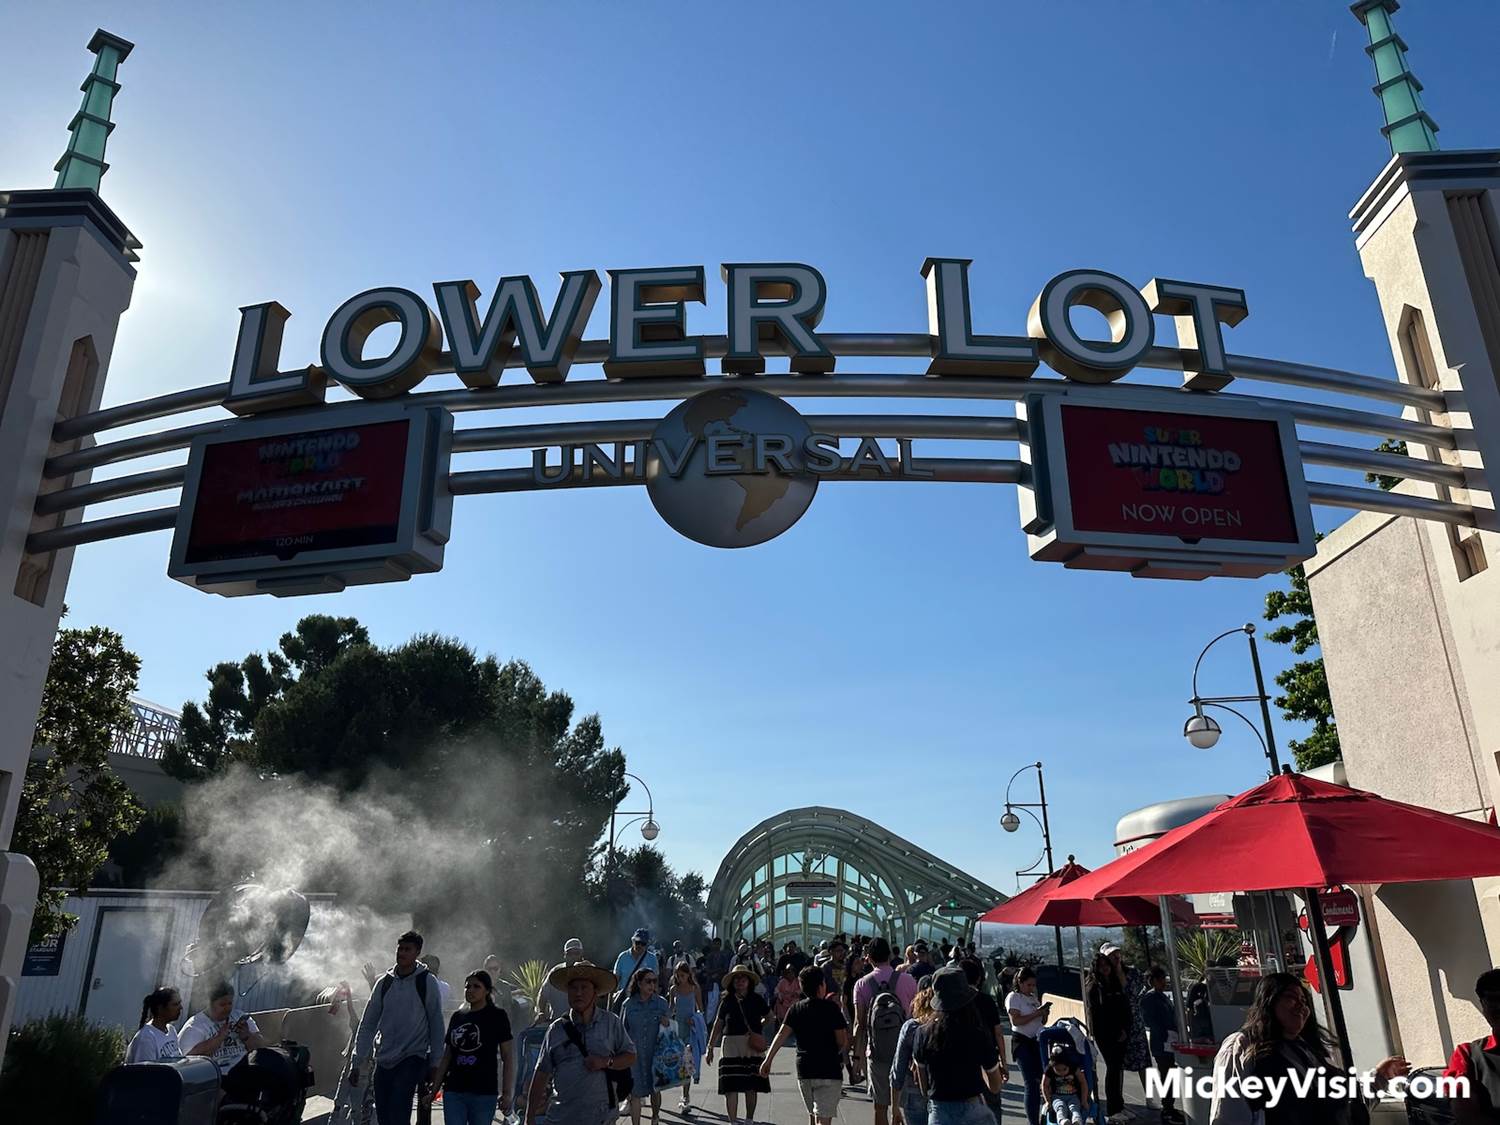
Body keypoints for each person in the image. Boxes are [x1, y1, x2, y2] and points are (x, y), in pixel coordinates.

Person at [1208, 972, 1408, 1125]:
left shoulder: (1308, 1052)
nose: (1300, 1007)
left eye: (1304, 1001)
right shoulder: (1242, 1048)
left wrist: (1380, 1077)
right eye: (1291, 997)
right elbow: (1228, 1116)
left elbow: (1345, 1105)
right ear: (1269, 1001)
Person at [351, 929, 447, 1125]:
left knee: (399, 1110)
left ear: (417, 952)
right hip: (384, 1057)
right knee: (384, 1115)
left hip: (412, 1056)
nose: (401, 953)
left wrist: (435, 1063)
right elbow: (368, 1023)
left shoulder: (426, 982)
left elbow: (436, 1023)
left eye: (407, 949)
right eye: (400, 949)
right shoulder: (384, 983)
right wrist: (357, 1061)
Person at [527, 961, 637, 1125]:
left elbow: (631, 1056)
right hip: (561, 1119)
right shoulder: (556, 1029)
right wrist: (529, 1118)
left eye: (584, 987)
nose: (578, 993)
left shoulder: (611, 1023)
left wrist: (606, 1062)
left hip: (601, 1118)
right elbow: (541, 1074)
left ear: (595, 992)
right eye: (573, 988)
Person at [911, 966, 1004, 1125]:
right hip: (973, 1110)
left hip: (939, 1112)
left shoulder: (923, 1033)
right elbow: (995, 1086)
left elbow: (923, 1087)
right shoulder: (977, 1032)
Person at [761, 964, 850, 1125]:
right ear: (821, 986)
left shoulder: (796, 1009)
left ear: (802, 987)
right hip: (829, 1069)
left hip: (805, 1069)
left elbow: (781, 1034)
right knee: (823, 1119)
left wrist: (768, 1060)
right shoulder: (832, 1009)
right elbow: (841, 1040)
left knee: (813, 1115)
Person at [431, 970, 515, 1125]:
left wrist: (507, 1093)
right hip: (454, 1090)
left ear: (487, 990)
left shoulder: (497, 1016)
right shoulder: (458, 1017)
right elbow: (447, 1056)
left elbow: (508, 1057)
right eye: (467, 986)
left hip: (484, 1092)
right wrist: (434, 1090)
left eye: (476, 986)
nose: (470, 990)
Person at [852, 937, 919, 1125]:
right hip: (906, 1052)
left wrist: (857, 1058)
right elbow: (917, 1017)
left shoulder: (861, 984)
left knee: (880, 1106)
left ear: (869, 958)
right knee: (908, 1106)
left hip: (876, 1052)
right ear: (889, 955)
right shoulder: (908, 981)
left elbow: (859, 1024)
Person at [1085, 942, 1144, 1122]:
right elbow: (1098, 1014)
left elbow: (1124, 1006)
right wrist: (1113, 1032)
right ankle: (1112, 1109)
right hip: (1106, 1035)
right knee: (1112, 1069)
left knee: (1117, 1070)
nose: (1105, 968)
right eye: (1101, 966)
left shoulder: (1114, 983)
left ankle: (1119, 1105)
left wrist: (1125, 1028)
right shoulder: (1094, 987)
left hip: (1122, 1032)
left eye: (1107, 965)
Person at [707, 964, 771, 1125]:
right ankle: (733, 1122)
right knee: (731, 1087)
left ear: (749, 981)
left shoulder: (757, 999)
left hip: (751, 1046)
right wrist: (710, 1047)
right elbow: (718, 1024)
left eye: (743, 978)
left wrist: (757, 1028)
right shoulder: (726, 1000)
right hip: (730, 1045)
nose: (740, 981)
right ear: (732, 982)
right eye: (736, 978)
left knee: (751, 1086)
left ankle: (749, 1120)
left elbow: (770, 1017)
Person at [1445, 967, 1500, 1123]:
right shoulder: (1466, 1054)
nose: (1498, 1007)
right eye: (1492, 1000)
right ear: (1482, 1005)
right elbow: (1465, 1113)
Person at [178, 980, 267, 1072]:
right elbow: (189, 1060)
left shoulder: (239, 1016)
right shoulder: (196, 1025)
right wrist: (219, 1038)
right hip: (218, 1074)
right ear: (209, 1004)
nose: (227, 1008)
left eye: (230, 1003)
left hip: (246, 1070)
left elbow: (261, 1049)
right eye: (222, 1004)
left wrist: (247, 1036)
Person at [959, 959, 1008, 1123]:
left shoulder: (955, 1002)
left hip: (963, 1062)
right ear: (979, 978)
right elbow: (998, 1033)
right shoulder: (986, 1001)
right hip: (989, 1060)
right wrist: (1003, 1063)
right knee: (993, 1102)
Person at [621, 966, 672, 1125]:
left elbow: (670, 1029)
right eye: (648, 981)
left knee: (655, 1090)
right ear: (639, 983)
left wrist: (667, 1022)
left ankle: (655, 1117)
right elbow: (622, 1031)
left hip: (655, 1055)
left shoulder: (661, 1003)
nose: (652, 985)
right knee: (634, 1094)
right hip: (634, 1056)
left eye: (654, 981)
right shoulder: (628, 1005)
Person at [1005, 965, 1050, 1125]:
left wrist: (1043, 1013)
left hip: (1036, 1040)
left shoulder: (1033, 998)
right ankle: (1033, 1121)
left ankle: (1043, 1116)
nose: (1031, 988)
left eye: (1033, 985)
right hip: (1022, 1041)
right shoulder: (1014, 997)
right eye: (1028, 985)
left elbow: (1041, 1021)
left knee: (1040, 1080)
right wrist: (1036, 1013)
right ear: (1020, 982)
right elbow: (1016, 1021)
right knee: (1030, 1082)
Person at [891, 975, 937, 1125]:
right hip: (942, 1091)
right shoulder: (945, 1025)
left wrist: (895, 1107)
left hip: (914, 1089)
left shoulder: (911, 1027)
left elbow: (898, 1068)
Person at [1139, 966, 1182, 1124]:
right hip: (1162, 1042)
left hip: (1170, 1040)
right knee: (1166, 1075)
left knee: (1172, 1074)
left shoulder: (1163, 997)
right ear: (1152, 981)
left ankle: (1170, 1105)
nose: (1163, 982)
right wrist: (1165, 1032)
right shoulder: (1149, 999)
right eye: (1160, 979)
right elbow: (1150, 1020)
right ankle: (1167, 1108)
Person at [668, 961, 703, 1114]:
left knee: (687, 1062)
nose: (680, 978)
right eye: (677, 975)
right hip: (678, 1029)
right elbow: (671, 1008)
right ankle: (684, 1095)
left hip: (691, 1030)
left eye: (682, 975)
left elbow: (701, 1009)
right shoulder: (673, 989)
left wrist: (695, 1019)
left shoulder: (695, 989)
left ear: (689, 974)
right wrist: (665, 1019)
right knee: (679, 1062)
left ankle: (685, 1096)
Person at [126, 987, 185, 1063]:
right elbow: (146, 1069)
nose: (180, 1007)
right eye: (175, 1004)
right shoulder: (146, 1038)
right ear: (160, 1008)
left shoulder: (171, 1030)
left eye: (180, 1003)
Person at [1041, 1042, 1091, 1125]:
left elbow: (1083, 1082)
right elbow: (1044, 1085)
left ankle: (1077, 1121)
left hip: (1073, 1095)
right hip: (1057, 1096)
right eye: (1058, 1070)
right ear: (1053, 1067)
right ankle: (1063, 1121)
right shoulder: (1049, 1070)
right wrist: (1048, 1101)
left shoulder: (1073, 1068)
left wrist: (1084, 1100)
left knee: (1074, 1108)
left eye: (1064, 1069)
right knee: (1060, 1107)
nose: (1061, 1072)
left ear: (1068, 1065)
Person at [613, 929, 659, 1009]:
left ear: (647, 945)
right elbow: (615, 980)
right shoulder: (623, 957)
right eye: (637, 942)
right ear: (632, 941)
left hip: (645, 1001)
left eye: (643, 944)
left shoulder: (652, 959)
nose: (640, 946)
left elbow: (655, 981)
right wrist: (614, 996)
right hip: (625, 1000)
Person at [544, 938, 588, 1020]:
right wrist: (541, 1012)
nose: (573, 956)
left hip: (582, 1023)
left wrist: (590, 967)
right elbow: (543, 995)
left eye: (576, 953)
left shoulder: (589, 972)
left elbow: (602, 995)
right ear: (564, 955)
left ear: (582, 955)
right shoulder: (555, 972)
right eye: (570, 953)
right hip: (558, 1021)